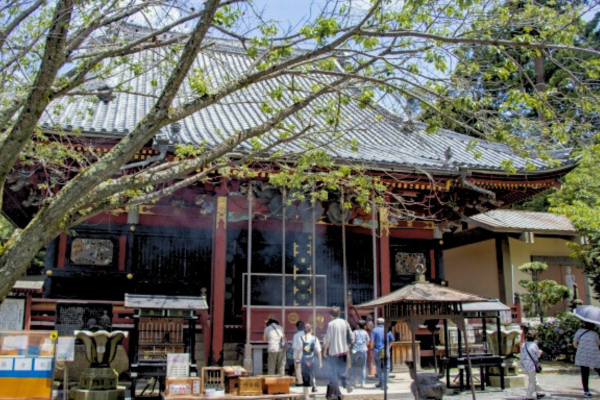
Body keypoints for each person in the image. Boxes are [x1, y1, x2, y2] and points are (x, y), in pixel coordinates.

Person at [323, 306, 354, 399]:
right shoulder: (345, 322)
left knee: (333, 373)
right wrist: (348, 346)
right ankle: (346, 383)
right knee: (342, 371)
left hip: (333, 352)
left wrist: (325, 350)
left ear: (331, 315)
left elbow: (328, 339)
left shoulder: (331, 324)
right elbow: (351, 338)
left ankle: (334, 392)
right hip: (344, 351)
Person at [574, 322, 600, 398]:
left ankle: (586, 391)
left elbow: (575, 343)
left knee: (584, 373)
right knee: (599, 370)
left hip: (582, 355)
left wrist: (581, 348)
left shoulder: (579, 331)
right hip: (593, 355)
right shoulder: (594, 334)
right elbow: (598, 343)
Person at [299, 323, 322, 400]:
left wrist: (296, 361)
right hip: (312, 360)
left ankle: (306, 397)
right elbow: (319, 351)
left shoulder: (301, 338)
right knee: (312, 373)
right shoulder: (314, 339)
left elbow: (299, 351)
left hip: (304, 361)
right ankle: (314, 386)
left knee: (305, 379)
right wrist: (320, 362)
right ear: (311, 330)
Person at [521, 331, 546, 400]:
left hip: (524, 364)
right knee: (532, 381)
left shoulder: (523, 345)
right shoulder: (534, 345)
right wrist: (540, 352)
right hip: (531, 365)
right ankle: (528, 396)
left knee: (534, 378)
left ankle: (539, 392)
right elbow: (537, 355)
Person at [371, 317, 394, 389]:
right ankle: (385, 383)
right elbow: (392, 340)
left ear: (377, 323)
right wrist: (388, 347)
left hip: (378, 350)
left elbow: (372, 341)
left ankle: (381, 382)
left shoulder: (374, 330)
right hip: (385, 350)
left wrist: (371, 349)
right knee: (386, 367)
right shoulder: (387, 330)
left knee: (379, 367)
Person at [351, 319, 370, 388]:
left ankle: (355, 381)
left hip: (355, 350)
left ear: (358, 326)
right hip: (363, 349)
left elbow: (352, 341)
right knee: (363, 366)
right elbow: (368, 342)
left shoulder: (354, 332)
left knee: (354, 365)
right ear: (364, 326)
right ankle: (363, 382)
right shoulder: (366, 333)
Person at [292, 321, 305, 385]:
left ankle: (300, 381)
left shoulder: (296, 335)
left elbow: (294, 346)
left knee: (298, 369)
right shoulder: (306, 334)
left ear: (297, 327)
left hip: (297, 354)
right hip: (305, 354)